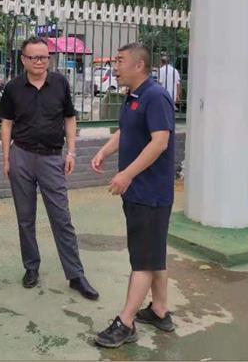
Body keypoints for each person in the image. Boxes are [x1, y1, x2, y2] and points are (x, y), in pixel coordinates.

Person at [0, 37, 99, 300]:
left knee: (61, 218)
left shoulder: (60, 83)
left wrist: (71, 151)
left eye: (44, 57)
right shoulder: (13, 88)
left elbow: (69, 118)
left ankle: (75, 275)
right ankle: (31, 267)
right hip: (21, 156)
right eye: (34, 57)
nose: (40, 62)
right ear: (23, 60)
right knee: (25, 217)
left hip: (52, 158)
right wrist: (7, 158)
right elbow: (6, 123)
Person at [90, 43, 175, 348]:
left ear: (139, 65)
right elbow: (126, 131)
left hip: (151, 193)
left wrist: (126, 174)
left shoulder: (155, 96)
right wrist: (104, 151)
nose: (114, 67)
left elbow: (160, 142)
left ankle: (125, 323)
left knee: (143, 261)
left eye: (120, 61)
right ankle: (160, 310)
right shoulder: (134, 96)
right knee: (153, 253)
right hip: (139, 192)